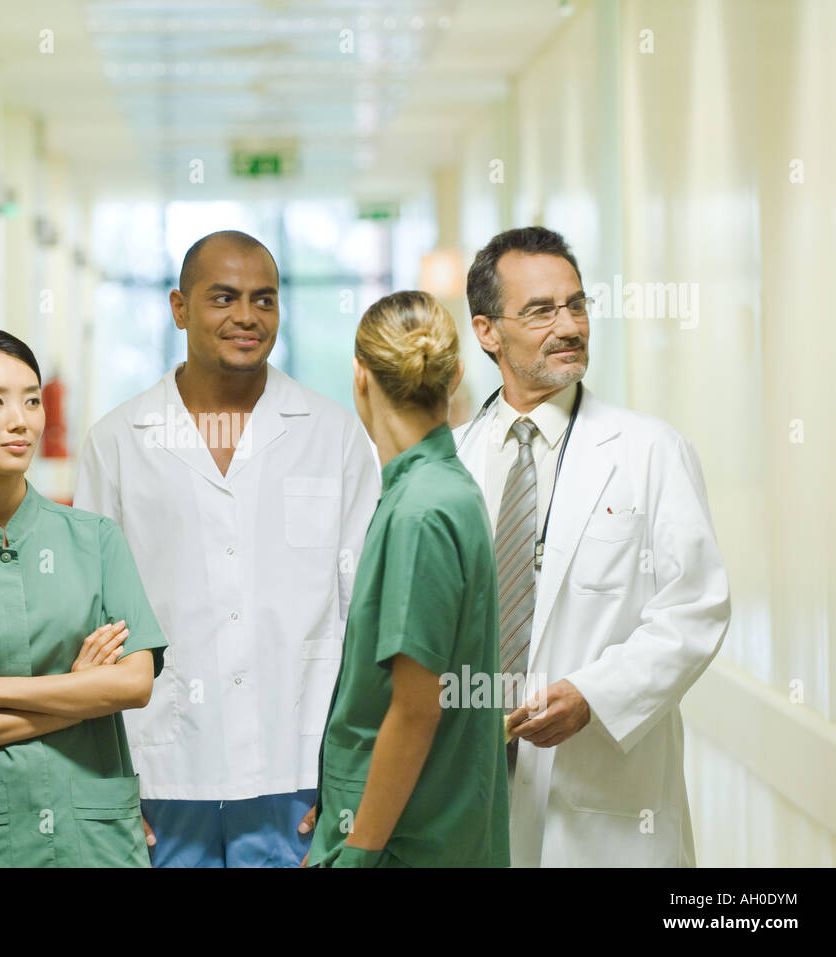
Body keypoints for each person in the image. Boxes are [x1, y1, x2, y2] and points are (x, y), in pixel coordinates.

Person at [74, 230, 381, 867]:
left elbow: (364, 613)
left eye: (264, 300)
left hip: (297, 769)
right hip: (161, 771)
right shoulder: (118, 442)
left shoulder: (336, 436)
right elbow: (93, 623)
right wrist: (106, 780)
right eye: (223, 298)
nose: (247, 317)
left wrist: (350, 772)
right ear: (179, 308)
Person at [456, 225, 730, 866]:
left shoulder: (649, 452)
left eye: (576, 304)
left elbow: (696, 608)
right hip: (474, 787)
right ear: (487, 331)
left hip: (604, 800)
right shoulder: (453, 462)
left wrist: (595, 695)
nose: (570, 325)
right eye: (541, 310)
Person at [0, 328, 167, 867]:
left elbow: (134, 681)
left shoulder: (95, 540)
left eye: (32, 400)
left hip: (94, 840)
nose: (21, 420)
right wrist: (77, 695)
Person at [302, 291, 509, 867]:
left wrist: (357, 852)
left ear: (359, 377)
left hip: (403, 846)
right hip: (412, 827)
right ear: (457, 374)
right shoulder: (436, 491)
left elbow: (416, 710)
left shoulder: (421, 511)